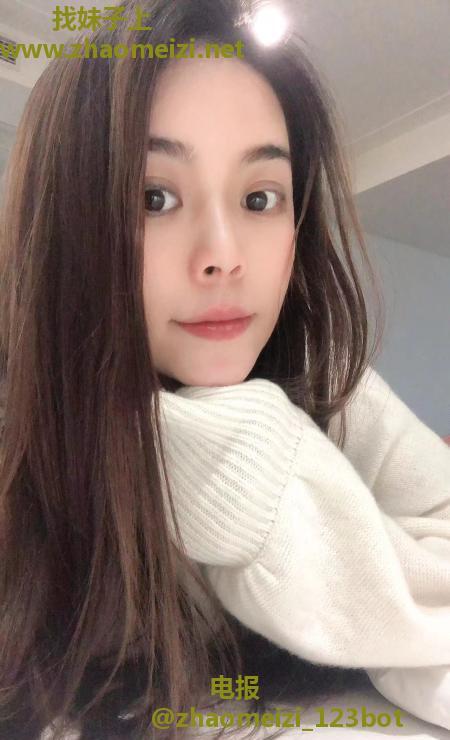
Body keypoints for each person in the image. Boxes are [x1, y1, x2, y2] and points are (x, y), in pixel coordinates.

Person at [0, 0, 449, 738]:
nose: (223, 255)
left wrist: (263, 488)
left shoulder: (329, 381)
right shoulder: (25, 451)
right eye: (154, 198)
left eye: (259, 198)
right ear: (66, 227)